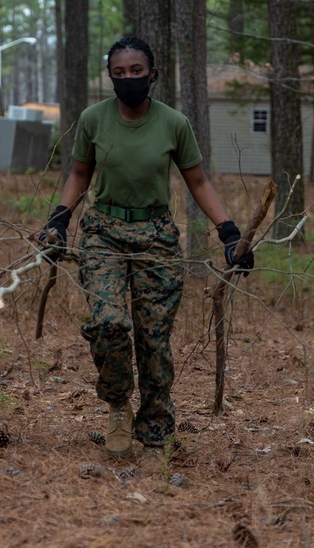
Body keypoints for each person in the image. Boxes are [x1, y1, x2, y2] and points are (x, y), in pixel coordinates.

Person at [40, 36, 254, 469]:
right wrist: (58, 220)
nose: (128, 79)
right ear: (111, 77)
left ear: (152, 74)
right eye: (119, 73)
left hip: (156, 237)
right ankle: (118, 406)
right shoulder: (93, 119)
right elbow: (80, 173)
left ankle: (156, 435)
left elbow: (198, 182)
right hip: (103, 232)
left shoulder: (173, 123)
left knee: (154, 342)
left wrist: (229, 233)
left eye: (136, 71)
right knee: (109, 323)